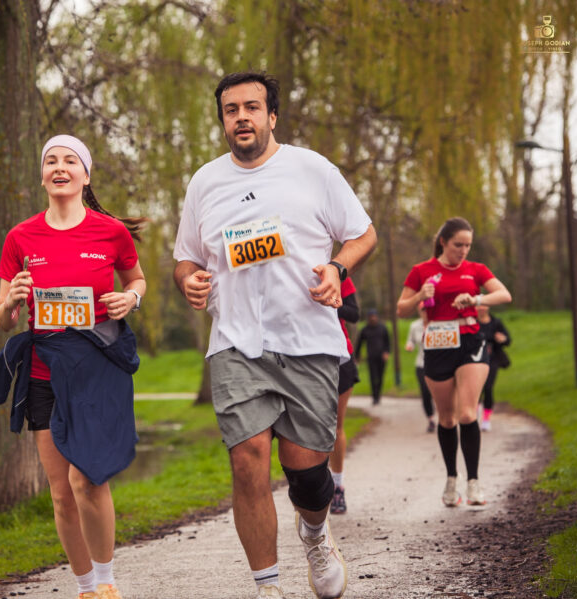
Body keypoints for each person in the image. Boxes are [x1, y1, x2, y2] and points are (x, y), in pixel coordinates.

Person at [173, 71, 376, 599]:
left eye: (251, 107)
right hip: (237, 341)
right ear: (222, 120)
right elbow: (187, 258)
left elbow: (363, 233)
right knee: (247, 460)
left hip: (308, 340)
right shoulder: (205, 182)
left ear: (271, 116)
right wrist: (189, 281)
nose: (240, 117)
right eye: (230, 109)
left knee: (307, 475)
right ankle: (267, 588)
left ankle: (314, 532)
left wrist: (337, 268)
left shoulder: (312, 169)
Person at [0, 134, 147, 599]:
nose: (59, 167)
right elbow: (1, 318)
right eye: (50, 160)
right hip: (43, 369)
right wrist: (10, 302)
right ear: (42, 175)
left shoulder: (110, 233)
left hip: (95, 367)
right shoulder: (20, 237)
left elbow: (136, 278)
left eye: (69, 161)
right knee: (60, 491)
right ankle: (86, 588)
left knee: (87, 478)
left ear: (85, 175)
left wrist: (129, 298)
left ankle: (108, 581)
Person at [396, 217, 511, 507]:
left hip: (471, 341)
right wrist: (421, 295)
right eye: (458, 244)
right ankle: (451, 480)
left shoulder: (475, 269)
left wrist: (475, 299)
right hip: (437, 345)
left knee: (467, 415)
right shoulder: (421, 271)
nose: (464, 250)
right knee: (446, 418)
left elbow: (503, 294)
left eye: (468, 245)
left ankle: (473, 483)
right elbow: (400, 309)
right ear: (443, 241)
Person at [329, 277, 360, 515]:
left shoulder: (338, 274)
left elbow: (353, 313)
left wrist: (331, 300)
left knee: (335, 426)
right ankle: (316, 487)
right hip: (299, 358)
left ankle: (337, 487)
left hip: (338, 356)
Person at [476, 305, 511, 431]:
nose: (481, 308)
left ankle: (486, 418)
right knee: (476, 388)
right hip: (476, 359)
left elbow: (508, 340)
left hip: (493, 359)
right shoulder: (472, 322)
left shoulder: (496, 323)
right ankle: (474, 413)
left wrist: (502, 339)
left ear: (488, 307)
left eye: (483, 306)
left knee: (488, 387)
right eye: (478, 306)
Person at [405, 304, 436, 433]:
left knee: (439, 392)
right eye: (422, 310)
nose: (425, 312)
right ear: (419, 311)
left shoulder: (438, 323)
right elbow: (410, 340)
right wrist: (410, 345)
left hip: (438, 363)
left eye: (427, 309)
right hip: (421, 364)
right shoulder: (414, 326)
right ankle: (431, 419)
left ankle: (446, 417)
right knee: (425, 392)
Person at [355, 309, 390, 405]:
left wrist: (387, 352)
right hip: (371, 357)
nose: (373, 318)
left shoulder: (382, 328)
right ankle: (374, 397)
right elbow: (359, 343)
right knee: (373, 377)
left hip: (381, 357)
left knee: (380, 377)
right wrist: (357, 356)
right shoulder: (365, 330)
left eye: (374, 316)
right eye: (371, 316)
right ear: (368, 318)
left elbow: (387, 341)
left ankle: (378, 395)